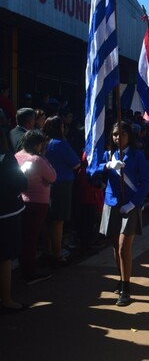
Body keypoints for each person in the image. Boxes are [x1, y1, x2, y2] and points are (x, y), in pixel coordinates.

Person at [95, 121, 149, 306]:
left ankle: (126, 289)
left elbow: (146, 182)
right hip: (111, 204)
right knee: (114, 247)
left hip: (130, 206)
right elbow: (89, 171)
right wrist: (107, 166)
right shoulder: (107, 155)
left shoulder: (138, 156)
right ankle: (121, 278)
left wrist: (134, 203)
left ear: (130, 136)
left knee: (123, 247)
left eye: (122, 134)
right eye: (115, 134)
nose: (118, 138)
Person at [15, 129, 56, 284]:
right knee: (31, 238)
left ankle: (25, 268)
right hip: (37, 201)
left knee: (25, 236)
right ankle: (29, 272)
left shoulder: (16, 156)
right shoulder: (37, 159)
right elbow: (52, 175)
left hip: (22, 200)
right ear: (38, 144)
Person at [43, 115, 80, 266]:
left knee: (48, 220)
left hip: (45, 183)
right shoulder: (60, 143)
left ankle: (48, 250)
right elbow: (76, 163)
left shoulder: (44, 143)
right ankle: (57, 253)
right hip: (62, 183)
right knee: (59, 220)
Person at [0, 129, 28, 313]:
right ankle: (7, 299)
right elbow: (21, 183)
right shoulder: (6, 159)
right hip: (6, 213)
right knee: (4, 258)